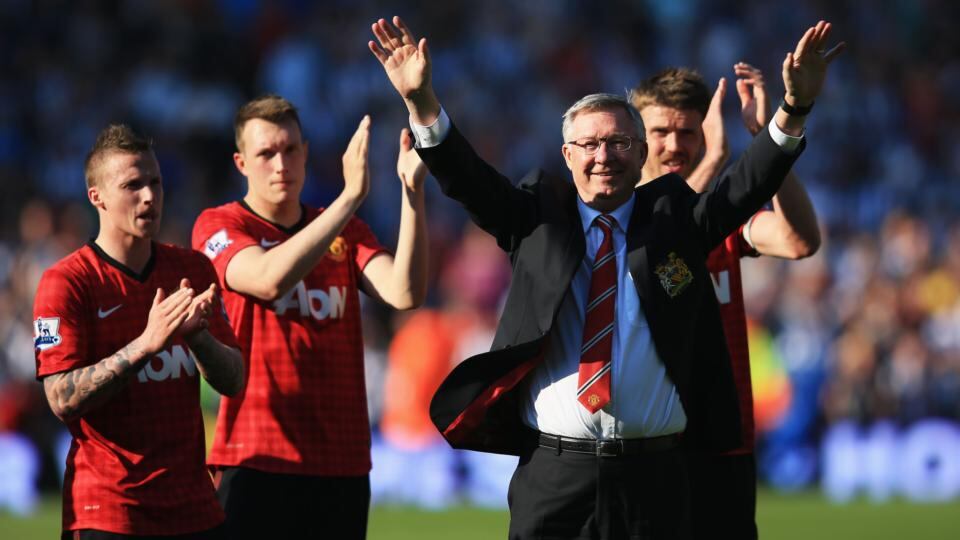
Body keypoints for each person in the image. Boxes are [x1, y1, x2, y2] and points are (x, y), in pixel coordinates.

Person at [370, 16, 843, 539]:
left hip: (657, 477)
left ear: (641, 155)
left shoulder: (676, 223)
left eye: (619, 143)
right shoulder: (537, 218)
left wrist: (794, 109)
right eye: (590, 145)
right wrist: (421, 103)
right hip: (554, 475)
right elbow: (467, 178)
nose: (604, 156)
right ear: (566, 155)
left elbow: (750, 187)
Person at [191, 95, 428, 539]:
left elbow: (404, 291)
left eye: (290, 150)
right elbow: (266, 280)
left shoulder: (344, 232)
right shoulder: (219, 225)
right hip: (256, 456)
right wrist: (350, 198)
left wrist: (411, 193)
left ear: (306, 152)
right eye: (266, 153)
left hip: (341, 462)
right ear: (241, 163)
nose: (281, 164)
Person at [631, 63, 822, 539]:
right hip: (648, 440)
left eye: (687, 132)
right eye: (660, 131)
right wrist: (716, 159)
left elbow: (799, 241)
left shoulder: (723, 217)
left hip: (723, 440)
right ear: (637, 137)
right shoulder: (619, 221)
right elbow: (664, 239)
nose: (675, 145)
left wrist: (765, 144)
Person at [33, 124, 244, 539]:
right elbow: (60, 398)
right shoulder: (67, 282)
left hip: (195, 508)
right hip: (110, 510)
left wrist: (198, 339)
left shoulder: (192, 269)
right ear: (98, 197)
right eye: (132, 185)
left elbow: (234, 380)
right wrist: (147, 344)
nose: (149, 196)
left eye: (155, 182)